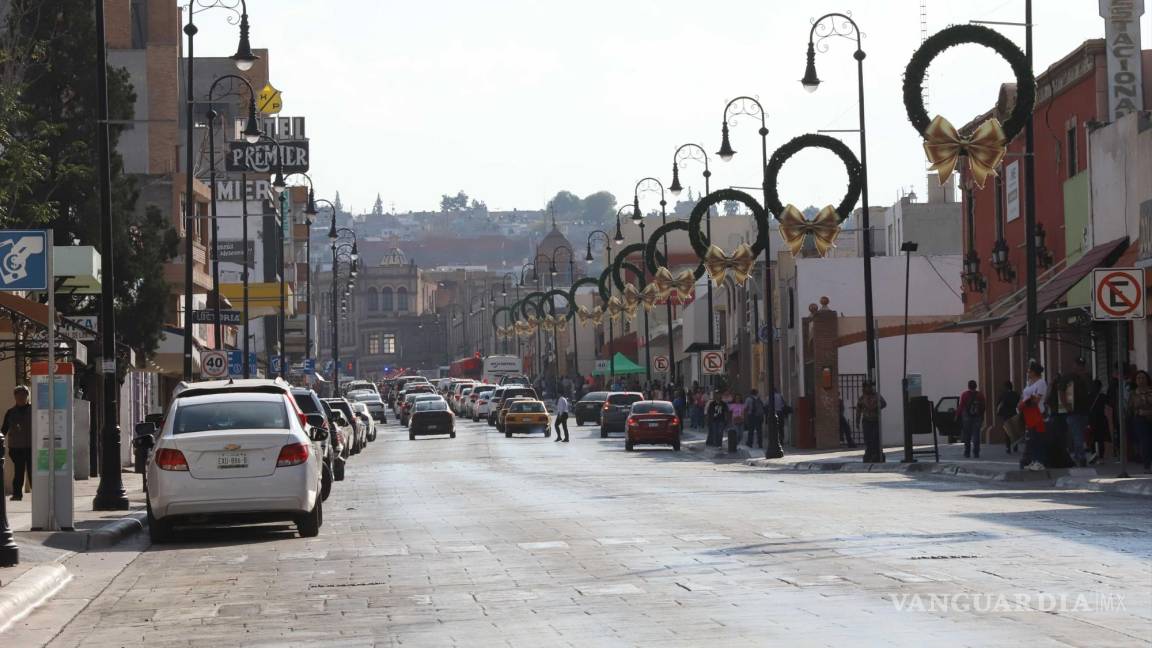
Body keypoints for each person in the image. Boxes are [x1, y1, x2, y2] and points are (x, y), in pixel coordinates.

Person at [3, 385, 32, 501]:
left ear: (27, 396)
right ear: (15, 397)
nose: (21, 397)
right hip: (16, 448)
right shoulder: (10, 412)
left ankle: (39, 494)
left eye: (23, 395)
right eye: (18, 395)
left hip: (31, 447)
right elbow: (4, 429)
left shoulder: (34, 410)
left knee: (33, 472)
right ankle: (17, 494)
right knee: (18, 472)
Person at [1019, 362, 1048, 470]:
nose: (1028, 373)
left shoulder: (1041, 383)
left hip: (1037, 413)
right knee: (1031, 438)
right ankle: (1033, 460)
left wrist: (1026, 401)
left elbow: (1036, 400)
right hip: (1028, 414)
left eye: (1029, 371)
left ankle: (1039, 461)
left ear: (1035, 372)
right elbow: (1024, 395)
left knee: (1038, 438)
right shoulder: (1029, 382)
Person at [1127, 370, 1152, 473]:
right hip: (1140, 420)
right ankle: (1147, 465)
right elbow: (1130, 408)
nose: (1141, 380)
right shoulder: (1133, 394)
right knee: (1145, 442)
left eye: (1143, 378)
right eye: (1138, 378)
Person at [956, 380, 986, 459]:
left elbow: (961, 405)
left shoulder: (965, 394)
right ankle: (976, 453)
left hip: (967, 417)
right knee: (976, 435)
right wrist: (982, 416)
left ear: (969, 386)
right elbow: (983, 406)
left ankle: (967, 452)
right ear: (976, 386)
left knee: (967, 435)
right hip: (977, 417)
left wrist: (957, 415)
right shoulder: (980, 395)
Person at [854, 382, 886, 453]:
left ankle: (876, 452)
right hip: (866, 420)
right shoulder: (862, 398)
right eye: (867, 387)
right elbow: (858, 411)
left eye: (870, 387)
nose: (869, 389)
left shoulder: (877, 396)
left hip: (875, 420)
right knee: (867, 438)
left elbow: (884, 403)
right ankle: (868, 452)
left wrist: (876, 407)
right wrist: (857, 422)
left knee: (875, 438)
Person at [996, 381, 1020, 453]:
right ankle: (1015, 446)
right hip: (1014, 413)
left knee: (1007, 431)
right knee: (1015, 430)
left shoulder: (1003, 395)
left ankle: (1008, 447)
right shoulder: (1016, 394)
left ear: (1005, 387)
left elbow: (998, 404)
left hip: (1006, 415)